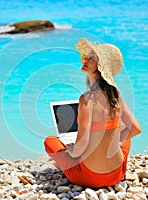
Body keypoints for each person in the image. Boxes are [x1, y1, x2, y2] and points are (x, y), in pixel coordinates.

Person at [44, 38, 142, 188]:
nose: (85, 59)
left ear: (101, 67)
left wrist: (71, 150)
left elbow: (81, 146)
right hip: (117, 174)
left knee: (50, 141)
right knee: (123, 132)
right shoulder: (116, 97)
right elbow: (136, 129)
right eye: (87, 56)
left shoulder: (87, 100)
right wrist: (113, 140)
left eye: (92, 58)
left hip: (89, 177)